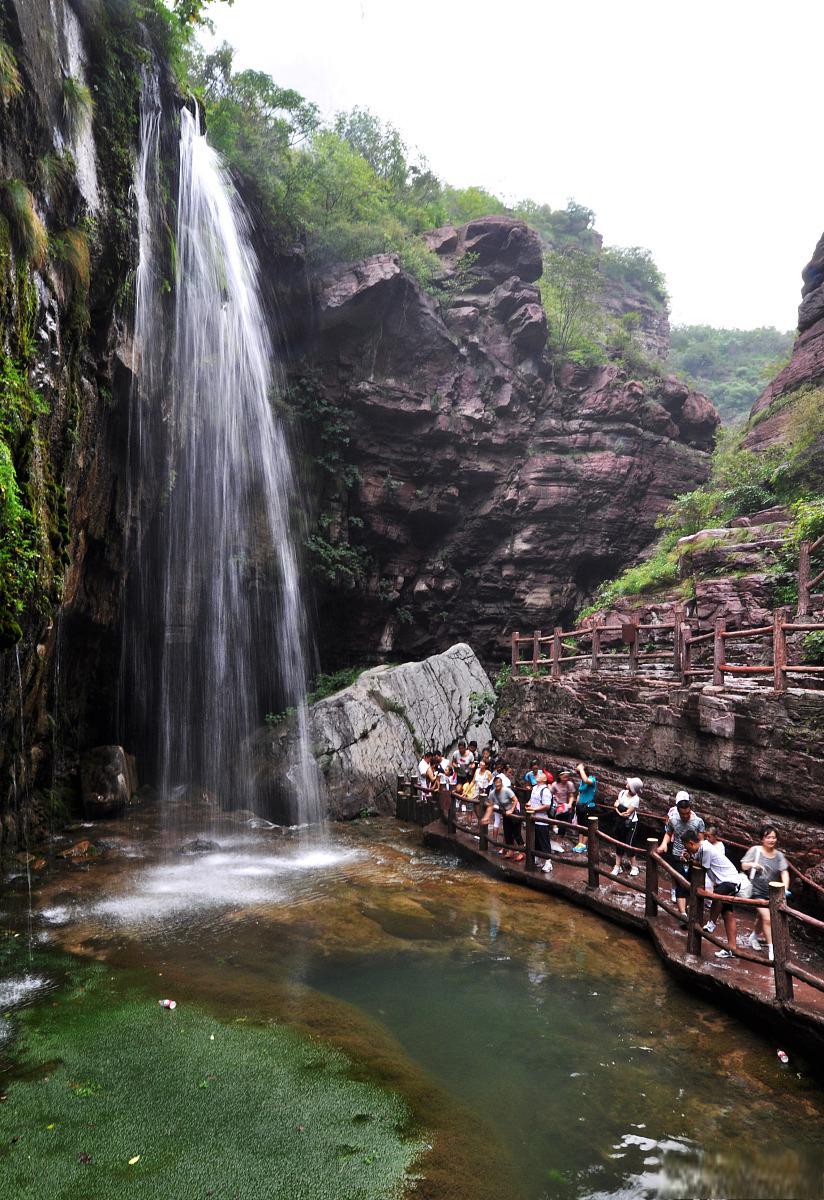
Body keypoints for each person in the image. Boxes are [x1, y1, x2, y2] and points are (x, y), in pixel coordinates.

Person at [682, 829, 740, 958]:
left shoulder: (706, 849)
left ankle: (711, 924)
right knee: (727, 914)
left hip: (730, 881)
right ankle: (732, 949)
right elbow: (697, 862)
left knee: (717, 896)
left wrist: (689, 860)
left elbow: (702, 867)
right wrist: (689, 858)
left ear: (691, 843)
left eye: (686, 846)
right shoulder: (701, 849)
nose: (687, 849)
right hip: (725, 881)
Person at [741, 825, 790, 962]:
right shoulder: (755, 850)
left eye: (773, 837)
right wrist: (753, 865)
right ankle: (772, 949)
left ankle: (754, 937)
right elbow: (743, 865)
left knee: (762, 918)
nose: (771, 840)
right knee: (768, 918)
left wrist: (785, 888)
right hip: (756, 891)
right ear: (762, 839)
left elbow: (784, 872)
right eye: (768, 837)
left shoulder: (779, 855)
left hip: (772, 893)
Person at [657, 792, 705, 918]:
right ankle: (683, 914)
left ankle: (688, 909)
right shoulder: (673, 820)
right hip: (677, 855)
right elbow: (668, 833)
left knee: (691, 884)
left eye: (687, 813)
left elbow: (701, 841)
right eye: (682, 814)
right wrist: (664, 844)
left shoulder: (698, 822)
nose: (685, 816)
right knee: (680, 884)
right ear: (678, 811)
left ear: (690, 810)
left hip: (693, 858)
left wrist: (697, 855)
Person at [610, 777, 643, 877]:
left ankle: (634, 867)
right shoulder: (622, 793)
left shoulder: (636, 799)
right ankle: (617, 866)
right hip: (621, 822)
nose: (627, 783)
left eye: (630, 783)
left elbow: (627, 812)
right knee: (619, 843)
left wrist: (618, 806)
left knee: (629, 844)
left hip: (631, 823)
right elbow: (617, 807)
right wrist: (619, 811)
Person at [526, 770, 555, 873]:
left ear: (544, 779)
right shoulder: (535, 788)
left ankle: (548, 862)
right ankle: (537, 858)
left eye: (540, 775)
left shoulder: (546, 791)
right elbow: (532, 799)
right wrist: (528, 804)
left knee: (544, 841)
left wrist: (534, 809)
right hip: (533, 819)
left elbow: (547, 806)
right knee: (536, 840)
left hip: (542, 819)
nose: (537, 775)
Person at [491, 775, 523, 862]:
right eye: (496, 784)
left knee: (517, 834)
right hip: (505, 814)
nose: (497, 785)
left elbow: (515, 800)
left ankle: (522, 852)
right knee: (507, 833)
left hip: (514, 814)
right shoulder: (494, 793)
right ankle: (510, 850)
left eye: (499, 783)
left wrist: (511, 809)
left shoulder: (507, 791)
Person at [572, 764, 597, 853]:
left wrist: (581, 769)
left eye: (580, 773)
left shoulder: (592, 779)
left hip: (588, 807)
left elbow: (586, 780)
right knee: (580, 825)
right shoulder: (581, 781)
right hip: (580, 806)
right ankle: (580, 843)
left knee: (586, 826)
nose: (579, 775)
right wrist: (576, 805)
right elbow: (580, 793)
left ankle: (584, 844)